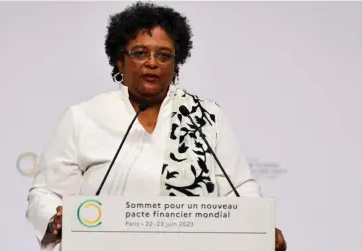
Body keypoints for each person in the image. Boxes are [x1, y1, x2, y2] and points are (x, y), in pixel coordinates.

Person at [26, 2, 287, 251]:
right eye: (140, 53)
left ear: (175, 64)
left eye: (164, 55)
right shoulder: (84, 117)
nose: (152, 63)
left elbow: (238, 190)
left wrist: (261, 231)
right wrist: (54, 220)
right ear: (120, 61)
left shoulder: (204, 116)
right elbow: (47, 192)